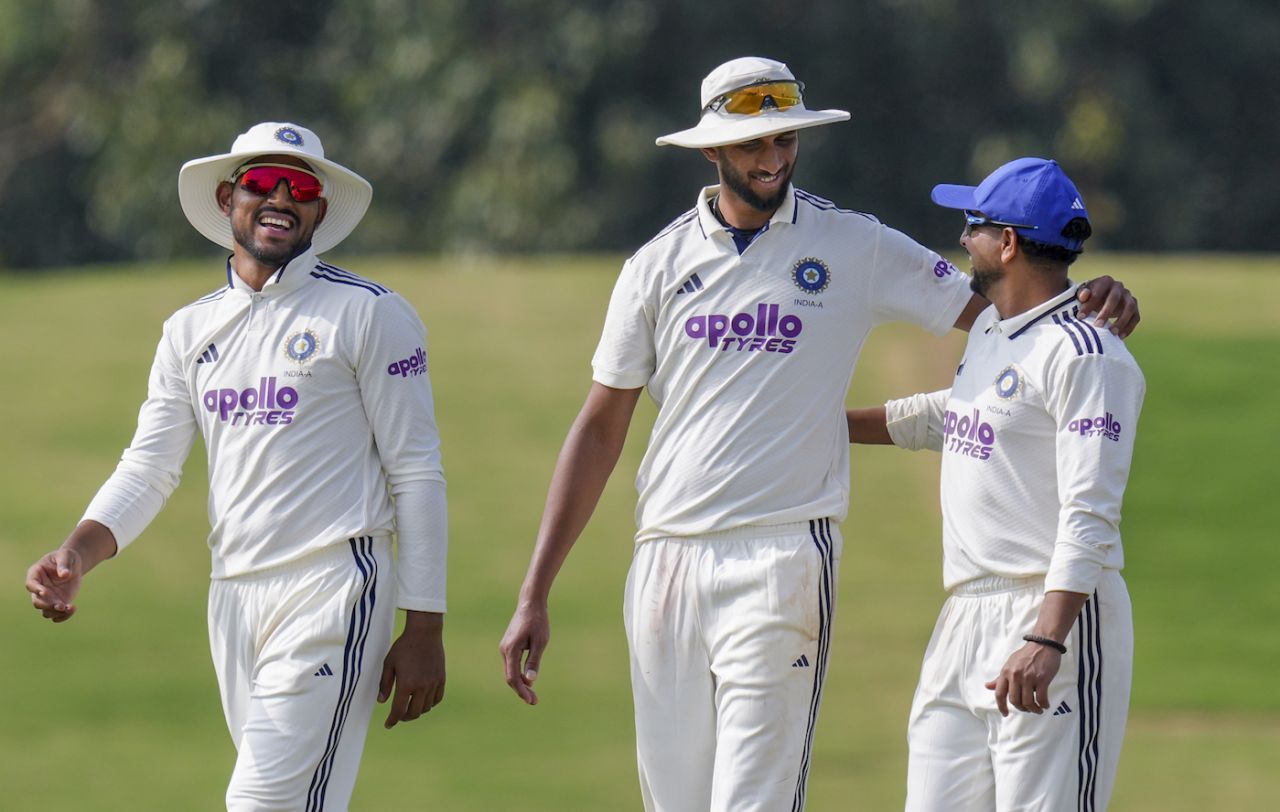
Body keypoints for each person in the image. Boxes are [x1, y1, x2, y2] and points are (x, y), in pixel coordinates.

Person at [498, 56, 1138, 812]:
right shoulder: (654, 266)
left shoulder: (853, 244)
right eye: (753, 144)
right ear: (712, 149)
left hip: (783, 553)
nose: (772, 159)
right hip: (664, 556)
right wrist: (535, 589)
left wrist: (1088, 295)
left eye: (785, 141)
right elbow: (601, 429)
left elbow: (1010, 312)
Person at [25, 122, 448, 811]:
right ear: (228, 198)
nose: (282, 195)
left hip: (333, 586)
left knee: (259, 805)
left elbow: (417, 472)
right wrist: (77, 552)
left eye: (303, 186)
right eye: (261, 182)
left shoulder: (368, 314)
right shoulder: (189, 331)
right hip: (233, 596)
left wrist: (424, 625)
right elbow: (150, 467)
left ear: (321, 210)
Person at [847, 157, 1144, 810]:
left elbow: (1090, 512)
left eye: (973, 225)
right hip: (963, 618)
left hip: (1053, 615)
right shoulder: (990, 327)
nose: (961, 238)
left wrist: (1046, 637)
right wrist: (826, 426)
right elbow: (957, 417)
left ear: (1007, 243)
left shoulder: (1089, 356)